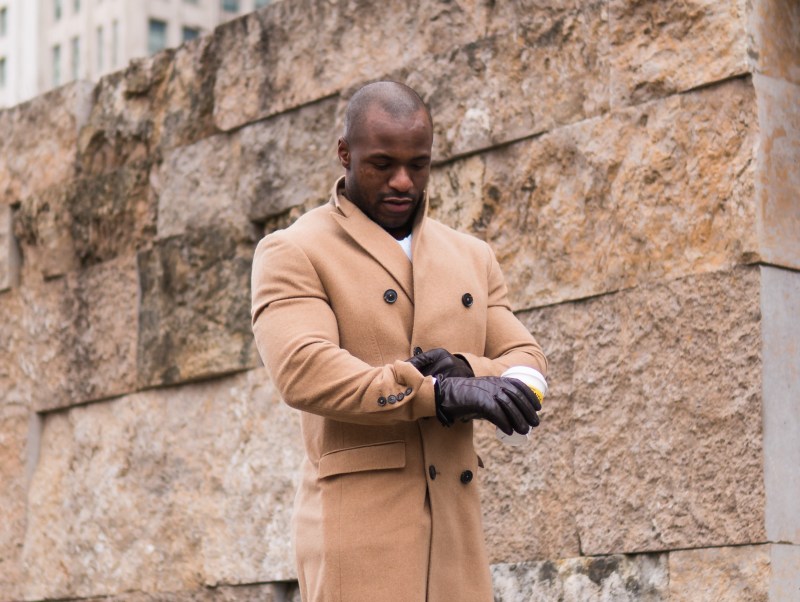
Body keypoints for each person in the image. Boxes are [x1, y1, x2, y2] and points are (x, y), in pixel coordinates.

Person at [250, 81, 548, 602]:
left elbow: (527, 362)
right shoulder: (293, 250)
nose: (403, 182)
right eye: (382, 164)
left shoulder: (471, 255)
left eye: (419, 164)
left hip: (458, 538)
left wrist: (464, 368)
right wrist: (438, 394)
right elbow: (304, 371)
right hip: (357, 536)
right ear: (345, 153)